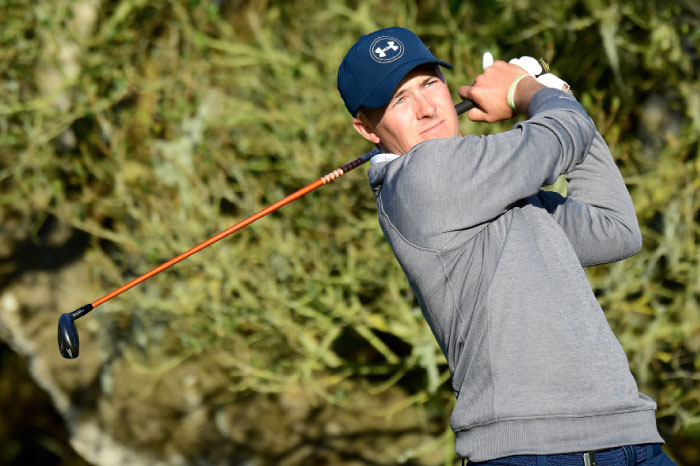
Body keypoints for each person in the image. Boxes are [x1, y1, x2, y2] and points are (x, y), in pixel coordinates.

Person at [337, 27, 675, 466]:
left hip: (630, 436)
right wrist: (529, 91)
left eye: (429, 83)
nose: (425, 108)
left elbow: (615, 229)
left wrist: (554, 95)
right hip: (530, 452)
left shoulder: (500, 188)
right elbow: (558, 136)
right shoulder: (421, 179)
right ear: (367, 129)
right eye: (398, 100)